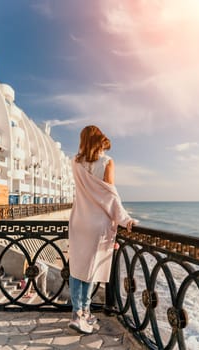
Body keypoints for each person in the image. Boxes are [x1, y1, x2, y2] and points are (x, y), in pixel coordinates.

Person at [68, 125, 138, 334]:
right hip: (97, 224)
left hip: (78, 221)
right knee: (91, 269)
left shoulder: (75, 161)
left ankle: (77, 313)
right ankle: (83, 314)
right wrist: (125, 219)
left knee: (77, 268)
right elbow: (110, 196)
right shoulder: (107, 162)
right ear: (100, 141)